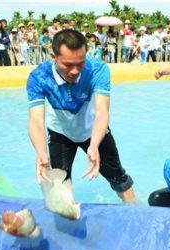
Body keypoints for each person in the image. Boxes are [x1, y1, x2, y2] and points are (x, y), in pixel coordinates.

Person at [26, 29, 135, 202]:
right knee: (59, 185)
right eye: (68, 65)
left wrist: (94, 145)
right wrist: (40, 151)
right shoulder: (38, 77)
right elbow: (36, 120)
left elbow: (102, 112)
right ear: (53, 57)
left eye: (80, 63)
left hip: (94, 131)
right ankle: (68, 223)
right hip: (60, 133)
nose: (75, 71)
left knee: (119, 179)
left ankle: (135, 211)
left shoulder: (97, 69)